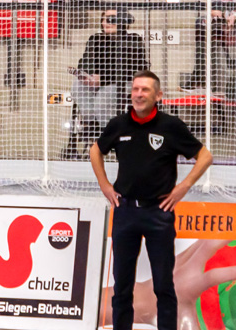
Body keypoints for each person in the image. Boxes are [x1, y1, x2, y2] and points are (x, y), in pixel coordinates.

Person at [90, 71, 212, 330]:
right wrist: (104, 185)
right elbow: (95, 150)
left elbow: (204, 156)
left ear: (158, 96)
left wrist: (183, 187)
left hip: (159, 214)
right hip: (125, 213)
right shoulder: (118, 125)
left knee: (163, 286)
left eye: (145, 90)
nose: (138, 94)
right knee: (122, 286)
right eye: (135, 89)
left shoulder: (171, 127)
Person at [62, 9, 149, 157]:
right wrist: (87, 76)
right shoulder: (95, 39)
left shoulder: (134, 40)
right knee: (78, 85)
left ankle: (108, 134)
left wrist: (102, 79)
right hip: (96, 83)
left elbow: (133, 69)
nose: (105, 23)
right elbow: (85, 63)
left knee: (104, 94)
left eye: (110, 19)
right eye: (103, 19)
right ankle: (91, 125)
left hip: (124, 83)